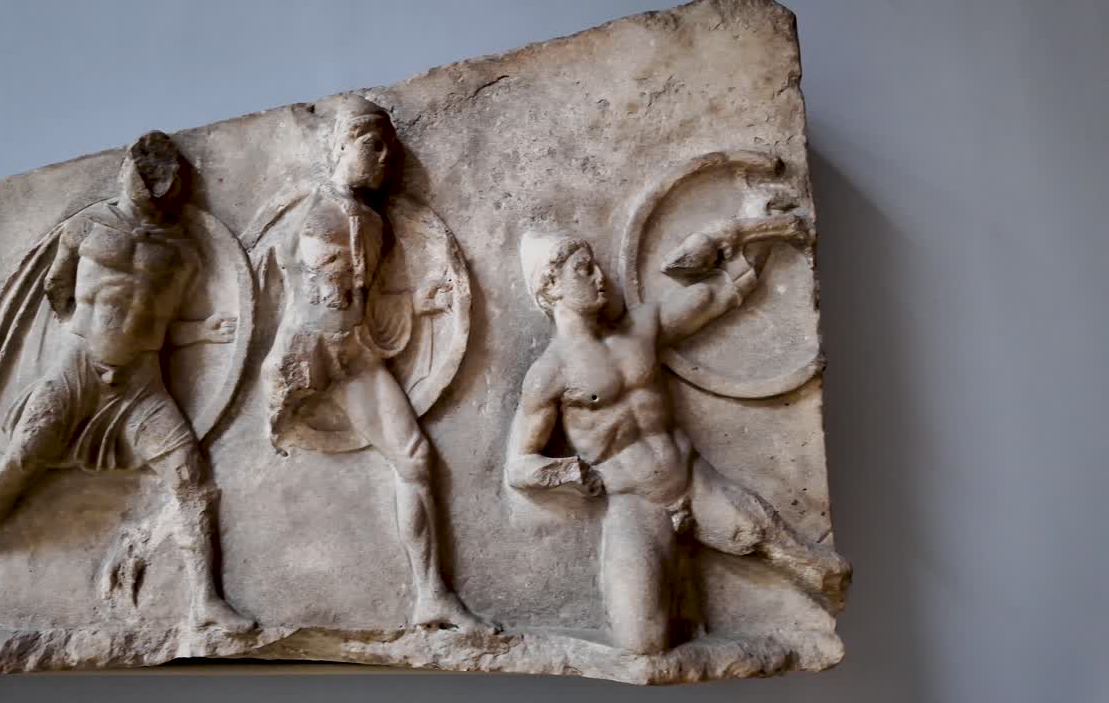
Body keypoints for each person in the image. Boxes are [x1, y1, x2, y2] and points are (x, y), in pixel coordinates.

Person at [0, 132, 253, 632]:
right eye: (143, 172)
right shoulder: (86, 226)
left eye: (160, 177)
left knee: (191, 477)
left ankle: (205, 603)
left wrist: (202, 331)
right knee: (17, 468)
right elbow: (56, 288)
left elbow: (160, 321)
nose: (150, 183)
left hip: (140, 386)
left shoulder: (182, 250)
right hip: (75, 371)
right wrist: (90, 338)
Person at [507, 231, 850, 653]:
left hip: (692, 480)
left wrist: (756, 229)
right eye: (584, 269)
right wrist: (563, 472)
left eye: (596, 265)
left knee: (789, 552)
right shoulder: (549, 374)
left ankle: (805, 625)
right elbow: (518, 466)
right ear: (550, 286)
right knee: (642, 643)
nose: (600, 277)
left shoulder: (639, 329)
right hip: (636, 505)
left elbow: (720, 295)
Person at [254, 96, 486, 631]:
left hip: (353, 357)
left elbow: (366, 302)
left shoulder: (373, 222)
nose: (384, 158)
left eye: (390, 149)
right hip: (305, 359)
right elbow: (304, 293)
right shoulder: (311, 216)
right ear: (338, 145)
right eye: (371, 145)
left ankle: (430, 595)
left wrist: (416, 303)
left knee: (416, 459)